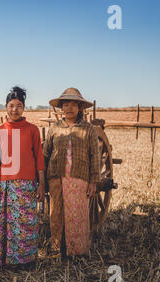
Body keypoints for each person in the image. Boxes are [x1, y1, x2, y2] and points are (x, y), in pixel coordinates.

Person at [0, 86, 45, 268]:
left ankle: (27, 261)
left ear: (24, 107)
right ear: (6, 107)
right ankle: (9, 261)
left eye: (18, 105)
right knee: (9, 225)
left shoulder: (32, 130)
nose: (15, 109)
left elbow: (39, 160)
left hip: (27, 185)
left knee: (27, 225)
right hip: (7, 186)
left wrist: (41, 184)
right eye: (11, 105)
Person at [44, 88, 100, 258]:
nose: (69, 108)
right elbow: (46, 153)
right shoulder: (54, 128)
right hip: (56, 176)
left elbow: (95, 156)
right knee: (56, 212)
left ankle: (77, 250)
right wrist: (42, 180)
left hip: (79, 177)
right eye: (66, 105)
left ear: (80, 108)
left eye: (73, 105)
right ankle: (57, 247)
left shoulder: (88, 129)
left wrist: (93, 182)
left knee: (77, 212)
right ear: (61, 108)